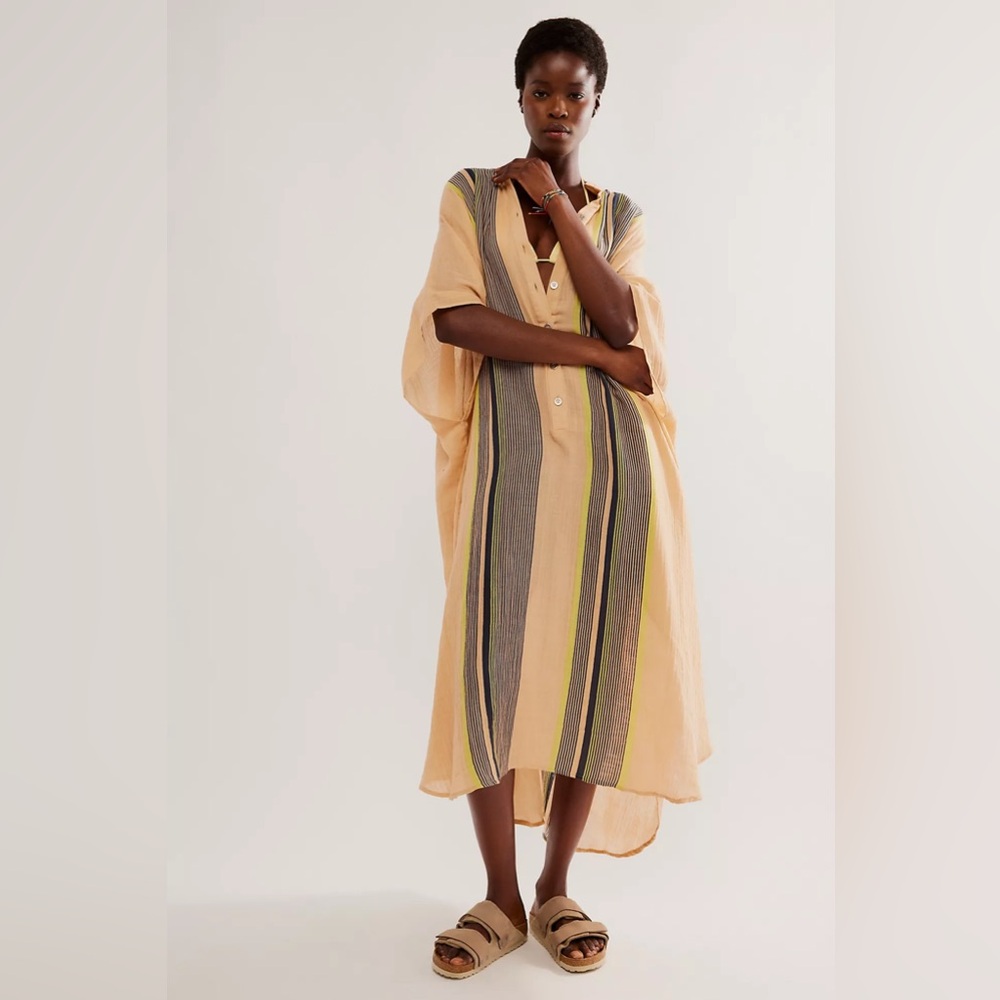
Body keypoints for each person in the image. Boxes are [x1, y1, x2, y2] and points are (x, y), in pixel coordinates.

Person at [401, 17, 712, 979]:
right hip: (507, 466)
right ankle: (498, 896)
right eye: (542, 90)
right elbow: (459, 319)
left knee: (591, 672)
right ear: (520, 97)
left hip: (614, 479)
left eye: (575, 92)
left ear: (596, 101)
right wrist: (593, 356)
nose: (558, 107)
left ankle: (553, 888)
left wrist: (557, 203)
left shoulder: (620, 217)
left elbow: (625, 317)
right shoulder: (469, 196)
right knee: (490, 672)